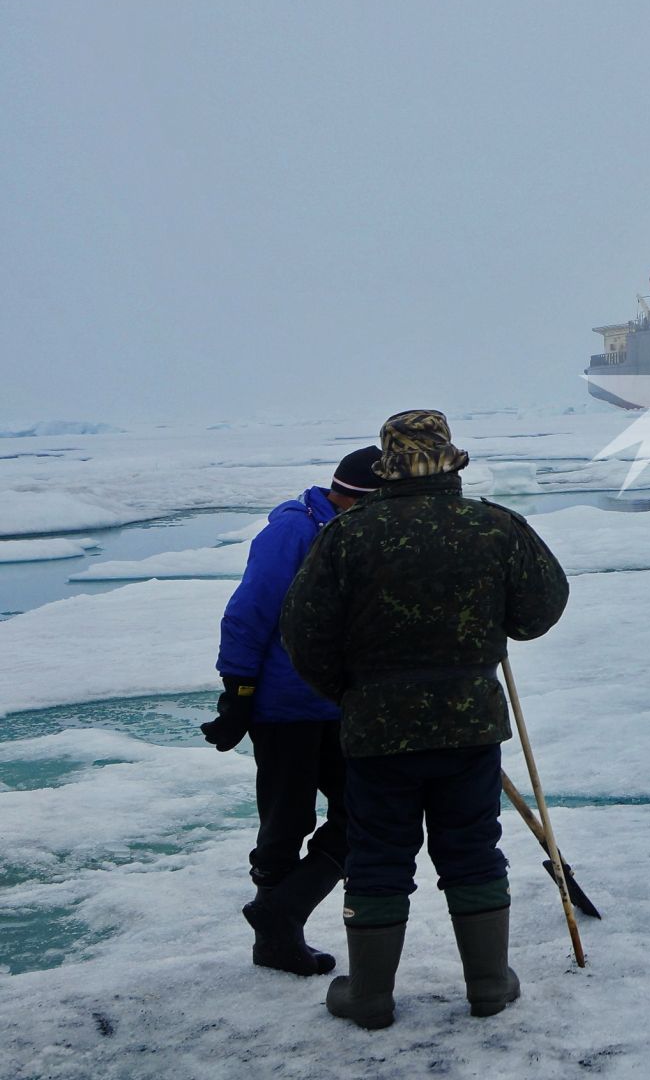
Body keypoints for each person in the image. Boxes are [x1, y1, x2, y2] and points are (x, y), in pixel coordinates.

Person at [281, 409, 569, 1030]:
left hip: (377, 730)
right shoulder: (496, 527)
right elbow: (540, 610)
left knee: (379, 855)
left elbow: (303, 633)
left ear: (388, 467)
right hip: (470, 725)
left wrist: (353, 691)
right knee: (471, 849)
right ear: (450, 460)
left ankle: (371, 997)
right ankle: (489, 986)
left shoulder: (347, 535)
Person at [202, 444, 382, 976]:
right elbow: (248, 612)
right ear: (354, 497)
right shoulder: (294, 532)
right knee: (287, 819)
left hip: (342, 704)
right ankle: (276, 941)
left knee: (365, 809)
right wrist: (238, 693)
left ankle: (279, 912)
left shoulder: (359, 532)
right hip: (285, 706)